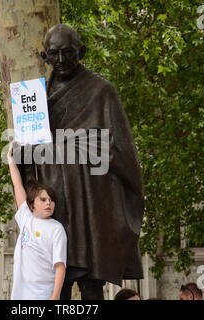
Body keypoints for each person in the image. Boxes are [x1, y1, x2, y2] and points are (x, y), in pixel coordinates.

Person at [19, 24, 144, 300]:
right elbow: (29, 153)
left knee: (90, 282)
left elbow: (120, 148)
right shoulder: (34, 98)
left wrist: (74, 144)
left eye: (68, 52)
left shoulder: (102, 91)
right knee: (56, 278)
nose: (61, 60)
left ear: (82, 52)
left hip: (90, 200)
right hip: (53, 199)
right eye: (54, 54)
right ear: (44, 57)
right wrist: (21, 153)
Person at [8, 142, 67, 300]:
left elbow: (60, 265)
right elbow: (18, 186)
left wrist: (55, 296)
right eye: (43, 199)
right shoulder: (26, 218)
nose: (49, 203)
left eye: (51, 200)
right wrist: (10, 160)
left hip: (44, 295)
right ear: (32, 203)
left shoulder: (57, 229)